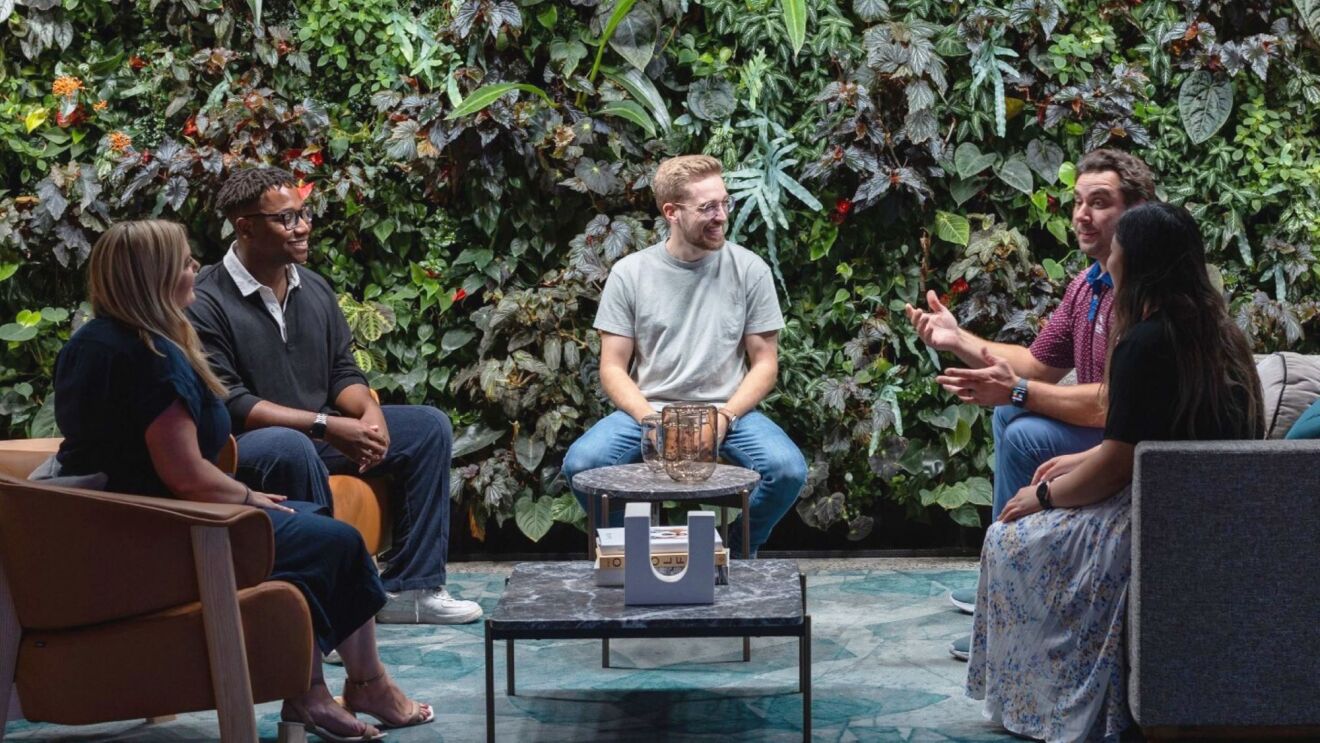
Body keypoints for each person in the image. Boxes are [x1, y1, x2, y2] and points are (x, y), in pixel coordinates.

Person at [53, 220, 435, 741]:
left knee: (313, 526)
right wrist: (247, 496)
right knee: (334, 542)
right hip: (165, 535)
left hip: (117, 523)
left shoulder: (92, 343)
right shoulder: (151, 357)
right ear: (156, 276)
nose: (194, 269)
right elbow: (184, 475)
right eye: (184, 261)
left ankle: (321, 690)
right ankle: (354, 686)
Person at [965, 202, 1264, 741]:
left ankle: (1045, 700)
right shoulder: (1219, 333)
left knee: (1011, 540)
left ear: (1139, 262)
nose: (1110, 262)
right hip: (1203, 505)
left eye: (1118, 251)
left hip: (1150, 515)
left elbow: (1119, 464)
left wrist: (1046, 497)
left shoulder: (1144, 343)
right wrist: (1080, 459)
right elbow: (1153, 437)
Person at [187, 167, 480, 625]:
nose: (302, 227)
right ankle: (323, 611)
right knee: (292, 444)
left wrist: (367, 412)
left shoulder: (313, 287)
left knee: (427, 427)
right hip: (248, 446)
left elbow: (341, 369)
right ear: (245, 226)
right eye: (286, 219)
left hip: (318, 433)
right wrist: (326, 426)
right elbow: (233, 404)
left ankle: (412, 588)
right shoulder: (205, 301)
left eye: (303, 214)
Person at [905, 149, 1155, 658]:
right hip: (1106, 430)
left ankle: (1016, 605)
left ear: (1137, 212)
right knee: (1010, 413)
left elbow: (1112, 405)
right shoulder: (1088, 285)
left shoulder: (1142, 293)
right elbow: (1038, 364)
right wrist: (958, 339)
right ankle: (1007, 580)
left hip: (1136, 441)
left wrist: (1015, 391)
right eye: (1078, 202)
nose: (1082, 215)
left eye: (1100, 202)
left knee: (1023, 428)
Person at [560, 154, 807, 556]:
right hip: (649, 410)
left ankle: (735, 551)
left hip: (728, 408)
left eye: (725, 203)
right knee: (581, 464)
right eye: (708, 207)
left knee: (787, 470)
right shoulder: (630, 273)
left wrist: (725, 417)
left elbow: (765, 363)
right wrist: (650, 421)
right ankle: (633, 551)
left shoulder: (750, 270)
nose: (721, 215)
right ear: (671, 212)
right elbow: (612, 367)